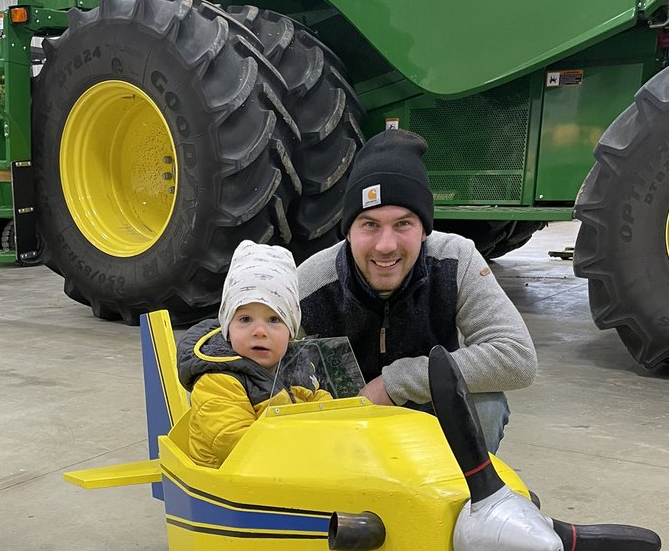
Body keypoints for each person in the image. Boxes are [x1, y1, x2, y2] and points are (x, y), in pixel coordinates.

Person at [298, 129, 538, 450]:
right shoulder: (310, 281)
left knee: (485, 407)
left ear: (424, 229)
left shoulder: (455, 259)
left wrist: (394, 383)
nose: (386, 245)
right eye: (370, 224)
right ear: (348, 232)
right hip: (344, 423)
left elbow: (517, 357)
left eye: (403, 224)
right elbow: (251, 351)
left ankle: (458, 495)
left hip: (428, 409)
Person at [177, 239, 333, 468]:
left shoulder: (297, 365)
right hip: (229, 482)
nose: (259, 331)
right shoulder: (217, 379)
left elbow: (322, 405)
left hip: (281, 469)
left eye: (274, 319)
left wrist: (339, 427)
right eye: (245, 319)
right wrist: (306, 447)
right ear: (227, 326)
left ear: (290, 332)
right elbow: (234, 442)